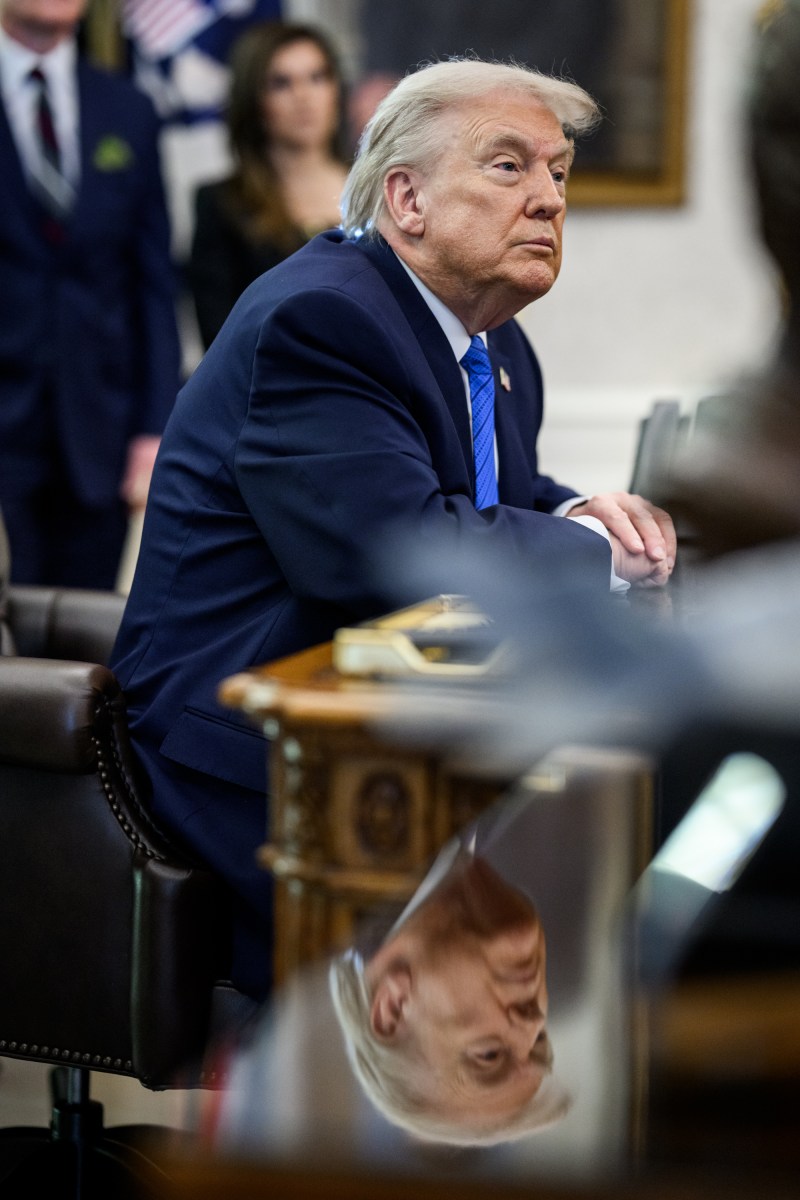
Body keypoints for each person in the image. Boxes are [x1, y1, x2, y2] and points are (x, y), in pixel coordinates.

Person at [111, 57, 677, 1002]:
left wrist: (585, 513)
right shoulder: (325, 318)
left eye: (559, 173)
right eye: (510, 167)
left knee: (606, 863)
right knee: (507, 939)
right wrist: (603, 560)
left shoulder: (493, 341)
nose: (548, 200)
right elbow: (397, 554)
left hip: (382, 736)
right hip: (245, 763)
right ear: (406, 199)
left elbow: (508, 492)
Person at [0, 0, 182, 589]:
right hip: (7, 432)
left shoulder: (127, 109)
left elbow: (154, 284)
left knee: (83, 638)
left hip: (100, 432)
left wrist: (155, 429)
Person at [188, 20, 349, 351]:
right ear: (254, 101)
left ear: (336, 90)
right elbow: (220, 342)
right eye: (281, 83)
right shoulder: (223, 204)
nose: (303, 97)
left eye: (317, 77)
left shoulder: (382, 190)